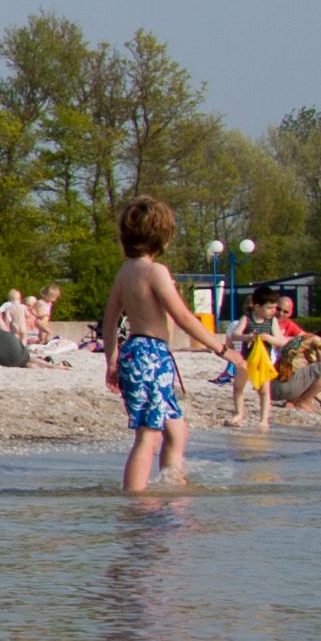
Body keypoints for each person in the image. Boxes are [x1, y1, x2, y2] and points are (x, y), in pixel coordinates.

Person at [102, 194, 221, 492]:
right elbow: (182, 315)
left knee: (176, 430)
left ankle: (172, 487)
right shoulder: (156, 271)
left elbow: (110, 320)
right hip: (150, 355)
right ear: (162, 237)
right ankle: (135, 499)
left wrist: (112, 360)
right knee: (148, 434)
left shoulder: (125, 271)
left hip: (135, 352)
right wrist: (220, 348)